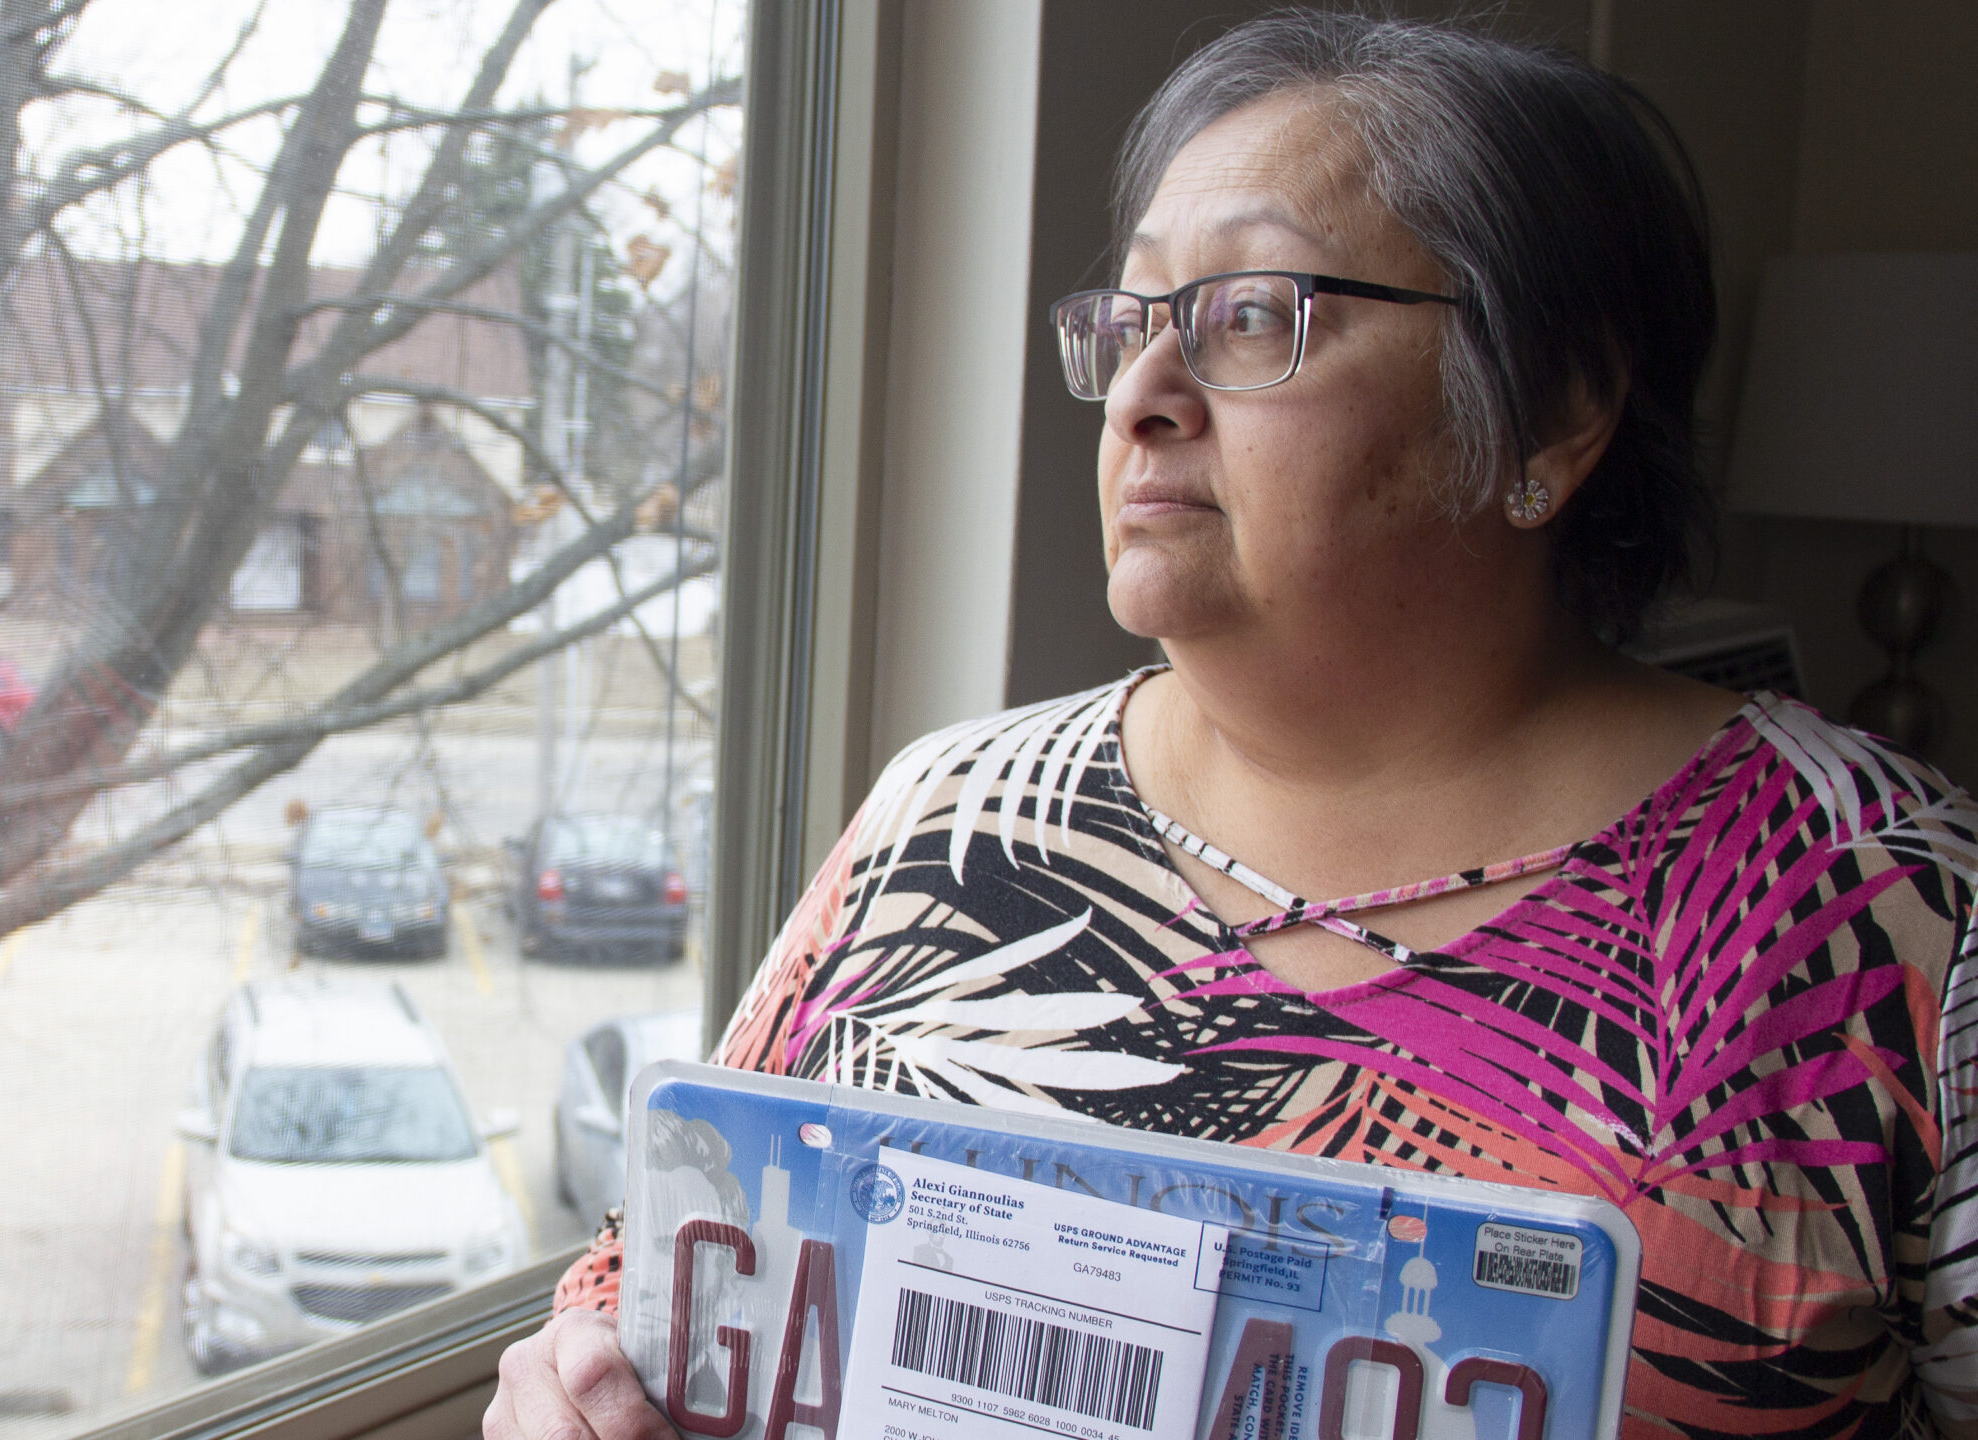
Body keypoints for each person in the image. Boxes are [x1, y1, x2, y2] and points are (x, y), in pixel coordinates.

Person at [486, 12, 1978, 1439]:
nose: (1141, 391)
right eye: (1131, 320)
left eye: (1252, 314)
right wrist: (572, 1380)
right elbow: (661, 1280)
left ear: (1549, 414)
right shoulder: (946, 820)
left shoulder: (1891, 908)